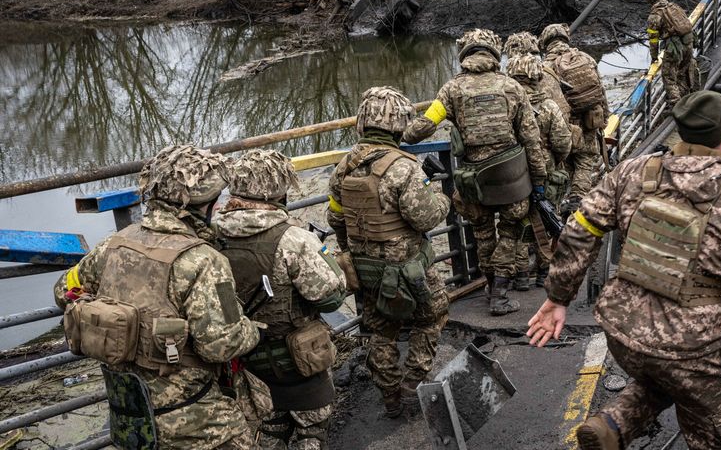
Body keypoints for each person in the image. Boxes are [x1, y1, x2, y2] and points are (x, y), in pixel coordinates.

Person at [527, 91, 721, 450]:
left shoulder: (632, 172)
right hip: (689, 346)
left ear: (680, 132)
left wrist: (558, 297)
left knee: (660, 376)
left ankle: (613, 425)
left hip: (621, 331)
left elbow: (580, 228)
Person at [54, 144, 260, 450]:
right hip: (195, 421)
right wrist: (252, 329)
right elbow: (221, 345)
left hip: (130, 414)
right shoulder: (203, 260)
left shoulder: (113, 245)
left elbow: (63, 291)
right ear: (204, 205)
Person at [404, 29, 547, 315]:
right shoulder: (512, 88)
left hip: (474, 182)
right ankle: (500, 295)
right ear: (494, 53)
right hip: (512, 179)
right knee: (510, 233)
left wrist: (400, 130)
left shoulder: (451, 89)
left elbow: (421, 129)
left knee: (483, 234)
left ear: (465, 54)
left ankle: (491, 286)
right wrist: (539, 180)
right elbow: (531, 138)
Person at [328, 86, 451, 418]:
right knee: (431, 318)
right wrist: (443, 199)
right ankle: (412, 385)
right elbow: (425, 216)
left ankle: (390, 396)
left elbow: (334, 218)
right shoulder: (404, 167)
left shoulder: (342, 168)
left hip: (366, 268)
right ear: (399, 125)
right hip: (409, 267)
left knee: (380, 329)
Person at [214, 149, 347, 450]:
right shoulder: (293, 239)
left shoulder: (212, 238)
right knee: (312, 431)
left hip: (247, 361)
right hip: (300, 360)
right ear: (279, 190)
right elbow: (330, 299)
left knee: (269, 431)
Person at [507, 53, 573, 288]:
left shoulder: (508, 106)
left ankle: (521, 274)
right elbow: (564, 143)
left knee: (518, 222)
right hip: (545, 170)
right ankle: (545, 272)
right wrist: (554, 159)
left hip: (513, 172)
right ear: (537, 77)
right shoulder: (549, 106)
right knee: (547, 217)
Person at [539, 23, 608, 216]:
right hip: (588, 122)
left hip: (563, 128)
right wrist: (604, 119)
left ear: (545, 43)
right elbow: (600, 92)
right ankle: (578, 199)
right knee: (585, 163)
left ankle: (563, 208)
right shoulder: (585, 58)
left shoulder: (544, 68)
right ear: (565, 38)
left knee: (564, 166)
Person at [645, 0, 700, 106]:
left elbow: (653, 40)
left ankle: (676, 104)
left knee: (668, 77)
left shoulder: (655, 15)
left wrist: (654, 57)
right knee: (683, 71)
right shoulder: (675, 7)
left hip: (674, 48)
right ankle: (687, 98)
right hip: (688, 43)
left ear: (650, 0)